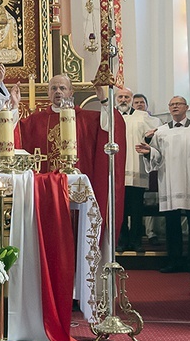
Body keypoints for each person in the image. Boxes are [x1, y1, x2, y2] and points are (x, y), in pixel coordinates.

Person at [18, 75, 126, 237]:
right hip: (47, 189)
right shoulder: (35, 121)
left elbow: (111, 126)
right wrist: (11, 106)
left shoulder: (86, 118)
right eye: (53, 88)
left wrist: (104, 100)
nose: (58, 92)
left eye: (62, 88)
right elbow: (14, 134)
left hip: (78, 190)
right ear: (48, 93)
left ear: (71, 92)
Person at [136, 96, 190, 273]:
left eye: (178, 104)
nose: (175, 107)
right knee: (172, 223)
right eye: (172, 104)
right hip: (169, 180)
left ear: (186, 107)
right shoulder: (160, 131)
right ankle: (174, 260)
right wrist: (148, 151)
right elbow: (157, 157)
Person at [113, 88, 161, 253]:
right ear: (116, 99)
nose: (123, 99)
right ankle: (121, 240)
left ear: (131, 99)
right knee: (120, 207)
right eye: (120, 97)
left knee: (136, 208)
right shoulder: (110, 115)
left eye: (127, 97)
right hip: (117, 169)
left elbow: (156, 133)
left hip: (136, 167)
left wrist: (148, 138)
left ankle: (136, 241)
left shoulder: (142, 116)